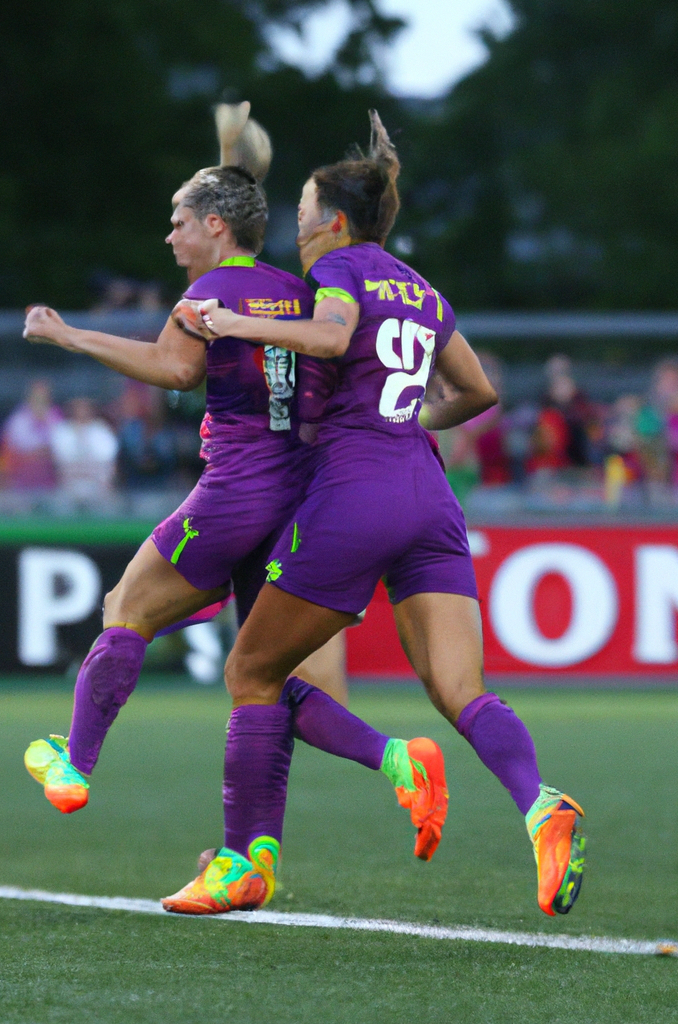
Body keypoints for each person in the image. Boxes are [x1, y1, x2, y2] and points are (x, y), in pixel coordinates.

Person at [166, 112, 585, 919]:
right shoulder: (422, 288)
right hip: (428, 495)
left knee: (252, 673)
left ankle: (239, 863)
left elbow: (329, 338)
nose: (294, 231)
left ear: (334, 222)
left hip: (353, 495)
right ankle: (540, 804)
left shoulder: (340, 272)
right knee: (462, 691)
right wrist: (406, 427)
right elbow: (479, 392)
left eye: (298, 217)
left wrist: (230, 319)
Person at [21, 102, 352, 814]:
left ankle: (75, 767)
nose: (168, 233)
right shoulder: (300, 293)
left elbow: (176, 370)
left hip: (233, 495)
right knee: (257, 676)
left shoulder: (210, 291)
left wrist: (70, 336)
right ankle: (385, 766)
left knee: (125, 607)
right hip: (294, 500)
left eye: (179, 220)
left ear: (215, 226)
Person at [0, 378, 61, 491]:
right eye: (36, 397)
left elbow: (60, 445)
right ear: (29, 398)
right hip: (23, 472)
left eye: (43, 397)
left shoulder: (56, 417)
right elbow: (17, 448)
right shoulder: (18, 419)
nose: (40, 401)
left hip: (51, 473)